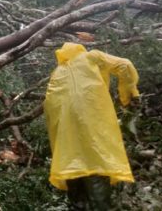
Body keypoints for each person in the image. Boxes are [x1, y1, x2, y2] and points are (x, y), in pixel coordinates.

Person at [44, 42, 140, 211]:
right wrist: (128, 95)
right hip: (94, 131)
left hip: (67, 147)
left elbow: (50, 111)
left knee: (75, 179)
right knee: (96, 168)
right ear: (80, 49)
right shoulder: (92, 57)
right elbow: (124, 65)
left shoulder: (57, 74)